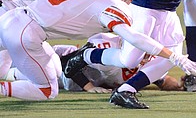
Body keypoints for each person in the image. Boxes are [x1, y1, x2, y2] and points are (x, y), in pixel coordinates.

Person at [0, 0, 196, 101]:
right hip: (26, 34)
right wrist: (173, 56)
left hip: (13, 17)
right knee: (46, 91)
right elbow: (134, 38)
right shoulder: (110, 6)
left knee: (55, 68)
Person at [2, 33, 182, 93]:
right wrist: (90, 88)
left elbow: (161, 80)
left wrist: (182, 85)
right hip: (55, 62)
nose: (146, 57)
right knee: (12, 72)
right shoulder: (108, 48)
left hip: (70, 76)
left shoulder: (142, 61)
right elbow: (69, 64)